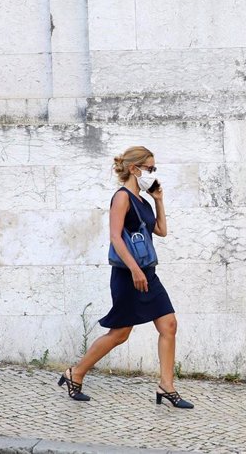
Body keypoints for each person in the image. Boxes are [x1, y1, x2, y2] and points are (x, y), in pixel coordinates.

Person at [58, 146, 193, 409]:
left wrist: (159, 199)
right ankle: (75, 373)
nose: (153, 173)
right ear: (134, 169)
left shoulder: (142, 200)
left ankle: (167, 386)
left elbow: (162, 231)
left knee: (169, 325)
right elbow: (115, 237)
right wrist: (134, 269)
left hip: (148, 273)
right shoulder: (121, 198)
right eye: (150, 168)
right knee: (120, 333)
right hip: (128, 275)